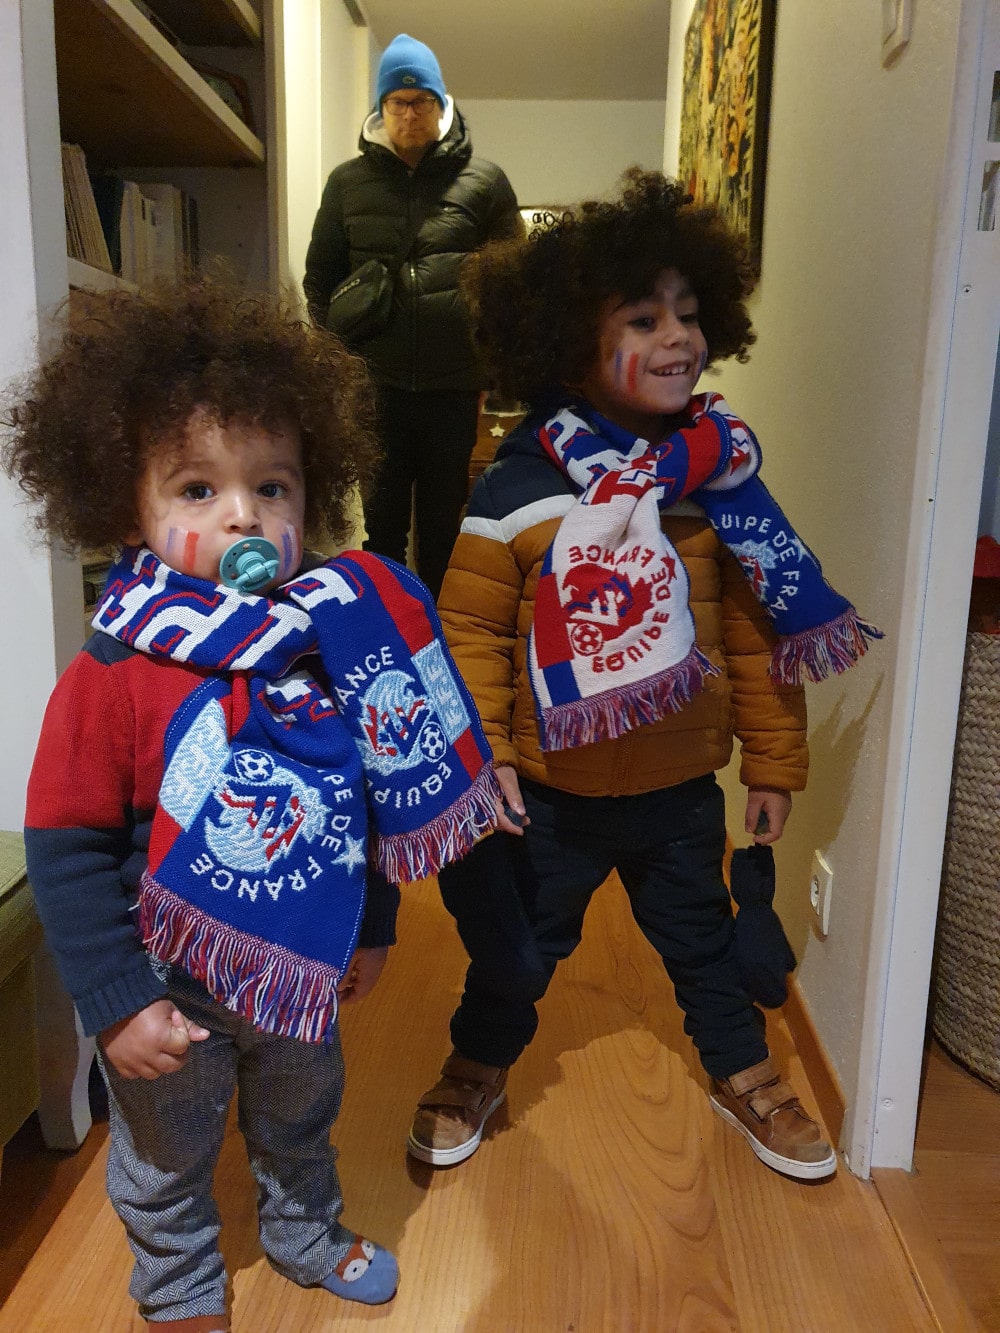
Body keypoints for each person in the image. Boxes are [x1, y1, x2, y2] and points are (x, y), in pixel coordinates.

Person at [2, 277, 501, 1331]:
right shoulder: (115, 669)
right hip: (167, 975)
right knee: (168, 1139)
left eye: (273, 486)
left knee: (300, 1108)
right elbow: (65, 841)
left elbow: (357, 804)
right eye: (196, 489)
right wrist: (114, 997)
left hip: (302, 960)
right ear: (122, 506)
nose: (244, 513)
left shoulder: (335, 643)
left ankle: (304, 1230)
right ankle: (178, 1279)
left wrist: (370, 927)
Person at [406, 169, 881, 1182]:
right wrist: (483, 759)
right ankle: (475, 1064)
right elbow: (471, 636)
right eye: (642, 316)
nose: (679, 338)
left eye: (690, 313)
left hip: (676, 793)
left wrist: (773, 766)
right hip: (548, 795)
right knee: (516, 954)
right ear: (572, 341)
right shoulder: (516, 485)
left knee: (702, 948)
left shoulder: (718, 484)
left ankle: (744, 1073)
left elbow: (755, 635)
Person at [303, 33, 523, 599]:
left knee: (445, 522)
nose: (409, 113)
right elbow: (319, 280)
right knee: (382, 524)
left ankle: (442, 635)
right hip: (375, 387)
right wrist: (339, 364)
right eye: (397, 102)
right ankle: (388, 625)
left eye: (421, 100)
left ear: (441, 105)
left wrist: (492, 367)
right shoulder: (346, 184)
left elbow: (513, 283)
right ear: (381, 109)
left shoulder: (486, 182)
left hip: (454, 387)